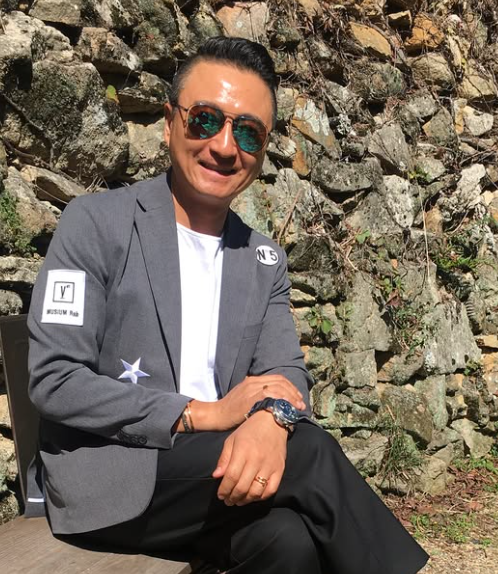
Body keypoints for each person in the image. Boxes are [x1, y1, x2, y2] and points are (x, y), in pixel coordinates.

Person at [26, 37, 429, 574]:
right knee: (310, 454)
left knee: (287, 541)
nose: (223, 146)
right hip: (112, 473)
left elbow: (286, 373)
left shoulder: (262, 259)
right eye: (205, 120)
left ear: (262, 151)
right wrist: (203, 413)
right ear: (169, 123)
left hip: (216, 475)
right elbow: (55, 379)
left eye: (247, 132)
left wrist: (272, 421)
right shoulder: (97, 223)